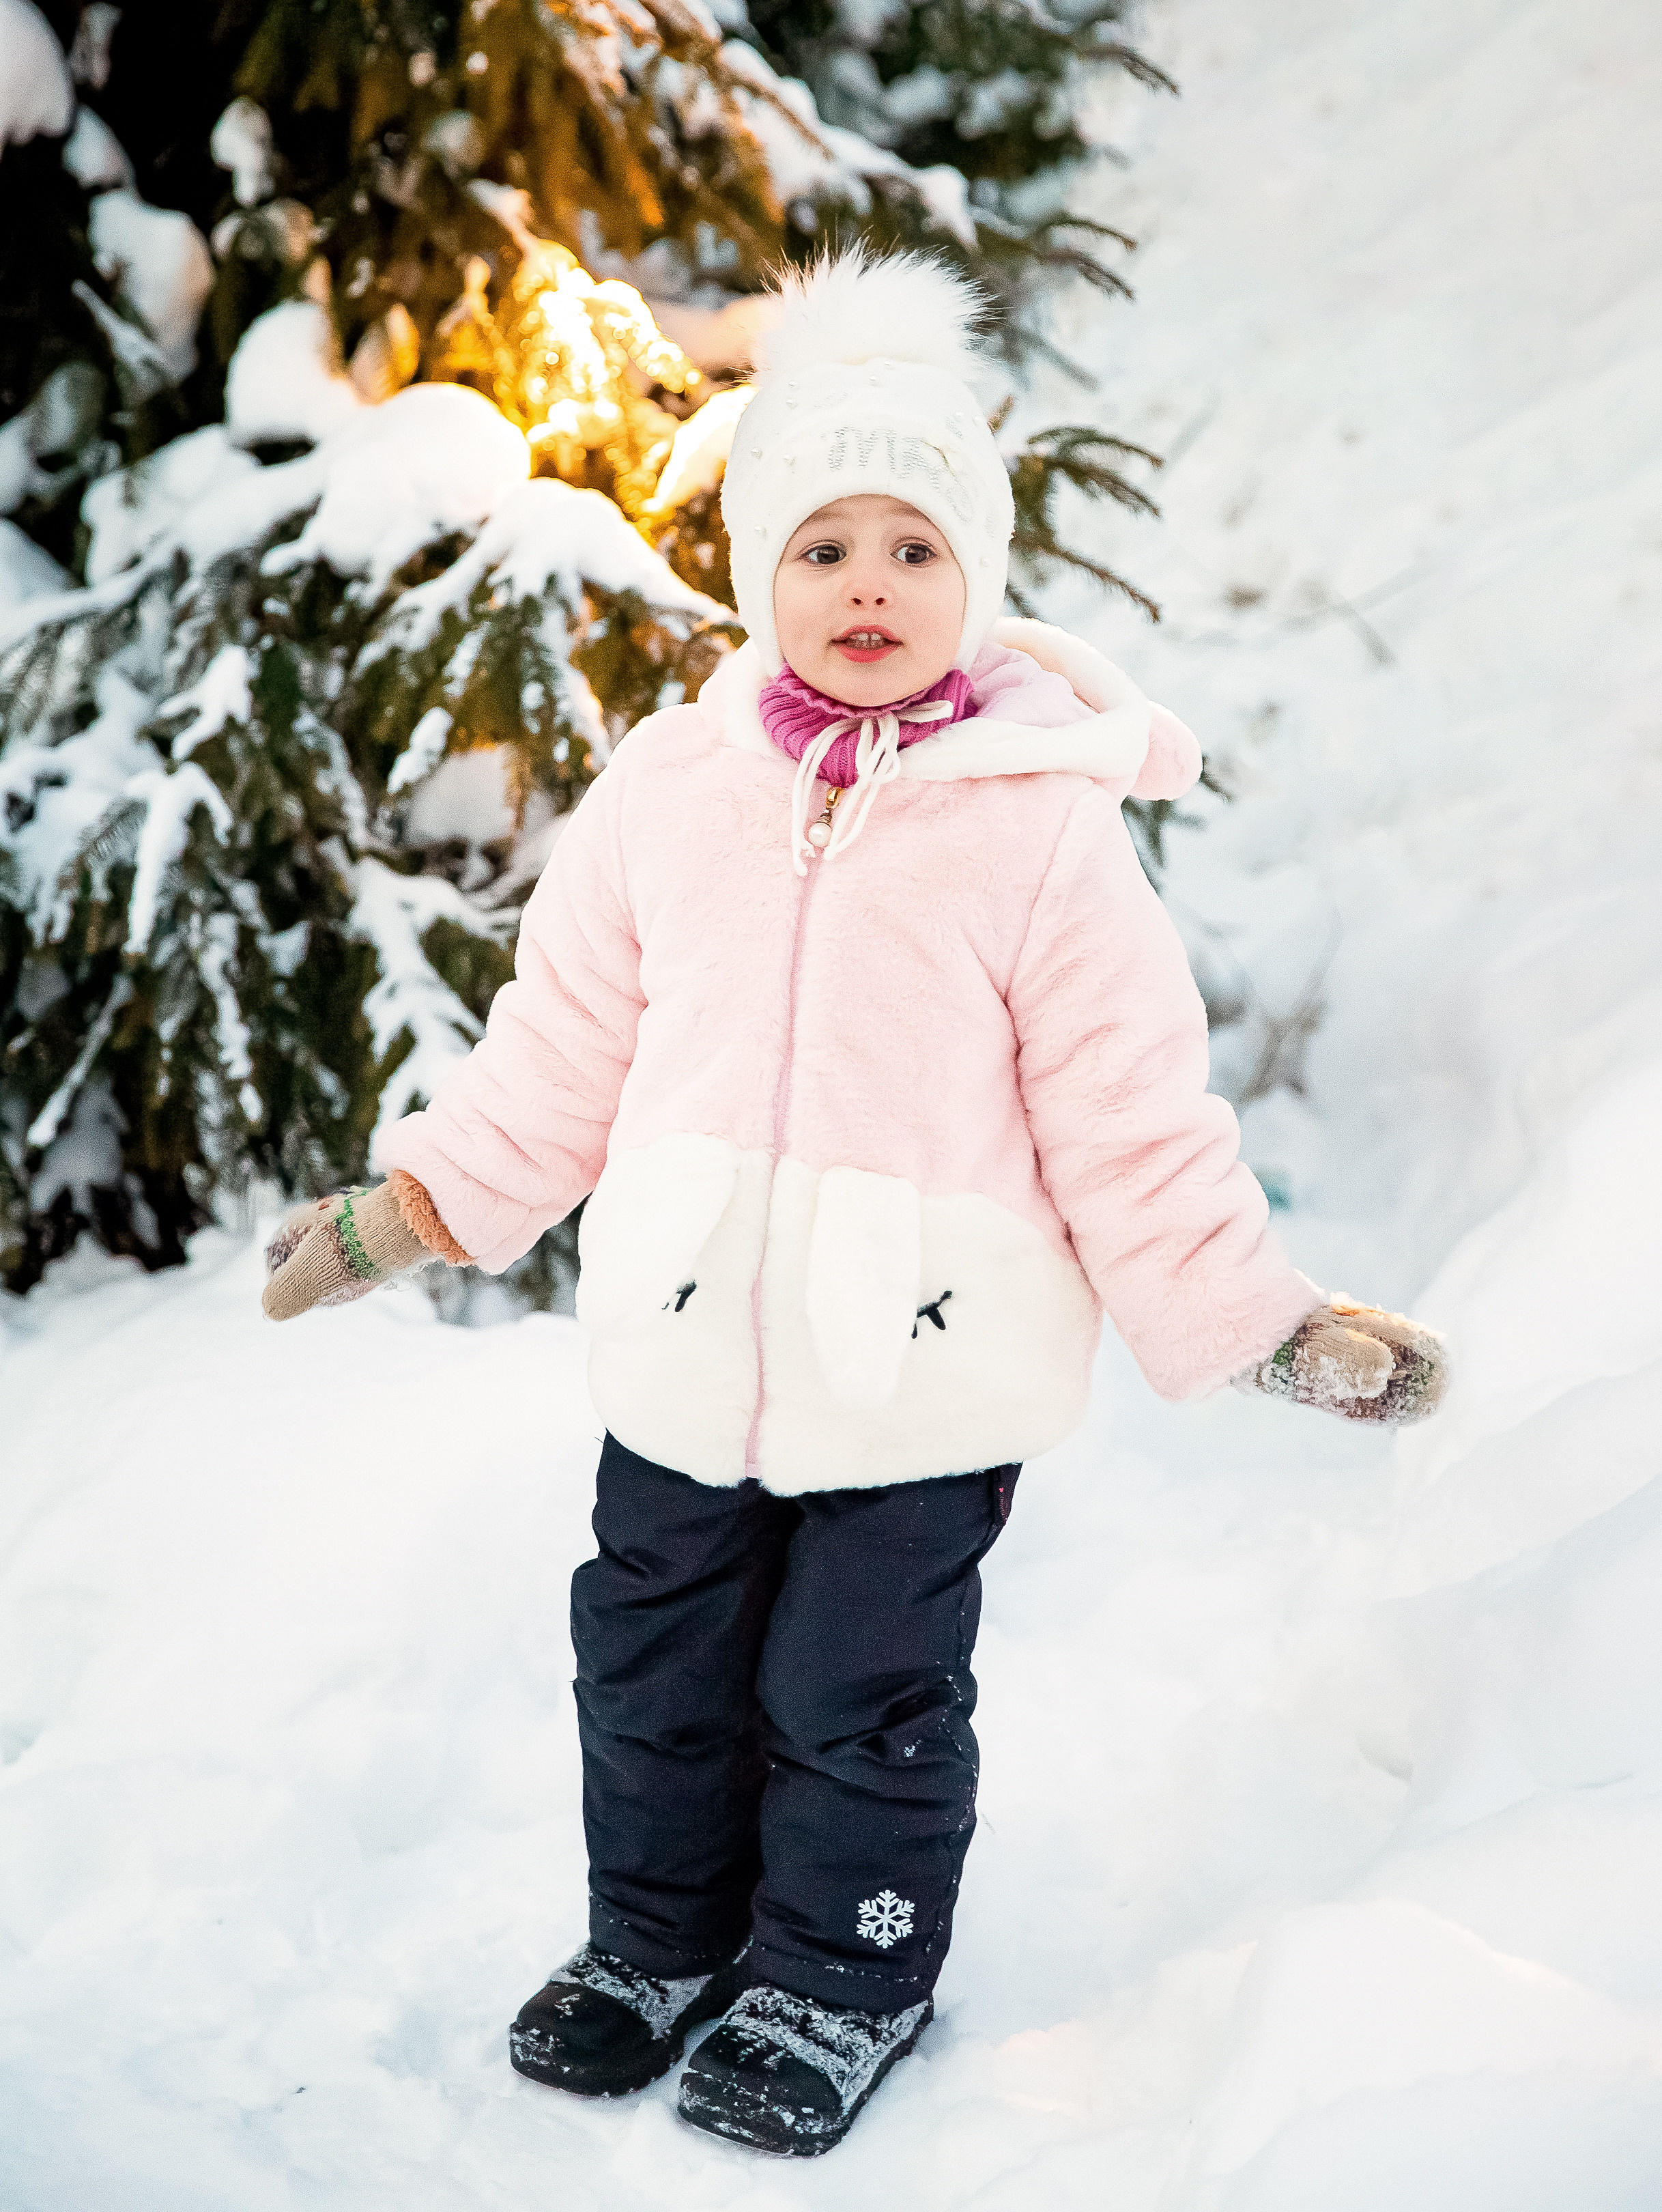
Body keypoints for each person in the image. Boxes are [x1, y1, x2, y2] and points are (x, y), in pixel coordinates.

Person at [261, 247, 1446, 2157]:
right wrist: (418, 1208)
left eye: (913, 546)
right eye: (822, 547)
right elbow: (558, 1048)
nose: (866, 584)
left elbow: (1129, 1117)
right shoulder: (669, 790)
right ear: (758, 572)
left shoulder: (1040, 830)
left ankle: (838, 1974)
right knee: (648, 1659)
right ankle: (657, 1940)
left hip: (919, 1367)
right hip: (681, 1342)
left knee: (856, 1686)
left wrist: (1261, 1325)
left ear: (976, 576)